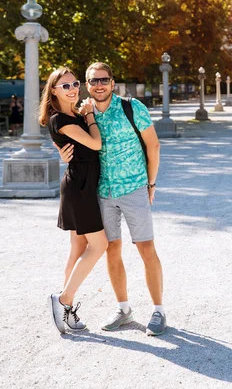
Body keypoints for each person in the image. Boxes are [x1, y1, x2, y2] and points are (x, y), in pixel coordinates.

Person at [58, 63, 164, 336]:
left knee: (146, 249)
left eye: (104, 79)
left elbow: (153, 145)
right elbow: (66, 133)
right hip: (102, 193)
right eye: (93, 81)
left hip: (134, 188)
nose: (99, 85)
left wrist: (151, 183)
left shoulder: (132, 107)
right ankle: (123, 307)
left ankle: (158, 310)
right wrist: (61, 153)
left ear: (113, 82)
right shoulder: (84, 113)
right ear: (87, 84)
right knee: (111, 251)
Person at [39, 67, 108, 334]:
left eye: (74, 84)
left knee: (78, 250)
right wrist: (89, 115)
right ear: (53, 91)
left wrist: (83, 114)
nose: (72, 89)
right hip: (79, 188)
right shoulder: (61, 119)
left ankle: (65, 310)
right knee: (99, 244)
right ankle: (63, 299)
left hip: (82, 185)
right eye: (65, 86)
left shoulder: (71, 115)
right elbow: (95, 144)